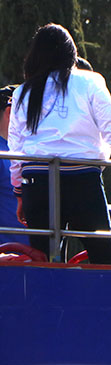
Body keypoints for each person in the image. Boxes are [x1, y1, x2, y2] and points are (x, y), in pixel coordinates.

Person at [8, 24, 111, 263]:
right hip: (81, 178)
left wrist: (20, 192)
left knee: (42, 258)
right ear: (71, 53)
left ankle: (46, 300)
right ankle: (99, 300)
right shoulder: (90, 82)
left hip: (37, 180)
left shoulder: (23, 91)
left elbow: (17, 148)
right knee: (103, 257)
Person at [0, 85, 29, 245]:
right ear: (11, 112)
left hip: (34, 258)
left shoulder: (22, 151)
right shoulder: (4, 154)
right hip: (9, 260)